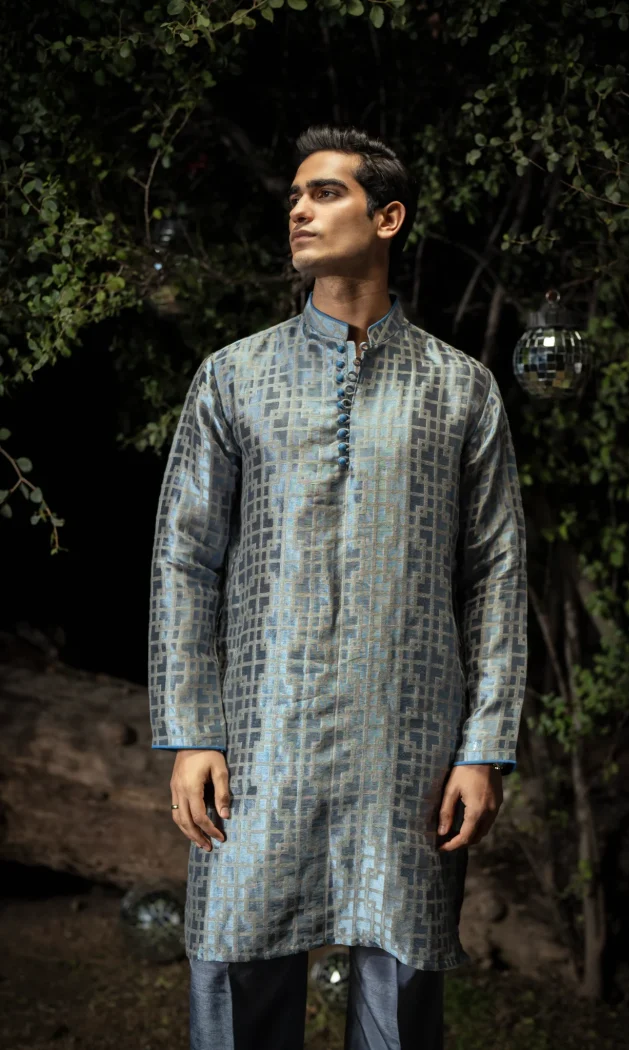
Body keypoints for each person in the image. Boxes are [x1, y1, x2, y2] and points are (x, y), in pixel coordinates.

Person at [148, 123, 528, 1050]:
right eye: (294, 197)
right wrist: (192, 732)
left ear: (387, 218)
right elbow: (185, 561)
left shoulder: (461, 389)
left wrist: (484, 748)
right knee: (236, 968)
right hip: (260, 739)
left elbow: (495, 574)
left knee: (401, 988)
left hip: (409, 746)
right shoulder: (234, 378)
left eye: (325, 193)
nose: (300, 212)